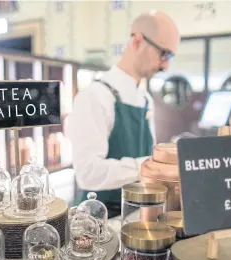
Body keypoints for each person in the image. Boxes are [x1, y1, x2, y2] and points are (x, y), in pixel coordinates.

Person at [66, 10, 180, 218]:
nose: (166, 65)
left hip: (139, 214)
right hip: (98, 222)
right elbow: (88, 173)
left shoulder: (145, 98)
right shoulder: (95, 96)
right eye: (164, 54)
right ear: (137, 41)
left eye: (170, 57)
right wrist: (148, 166)